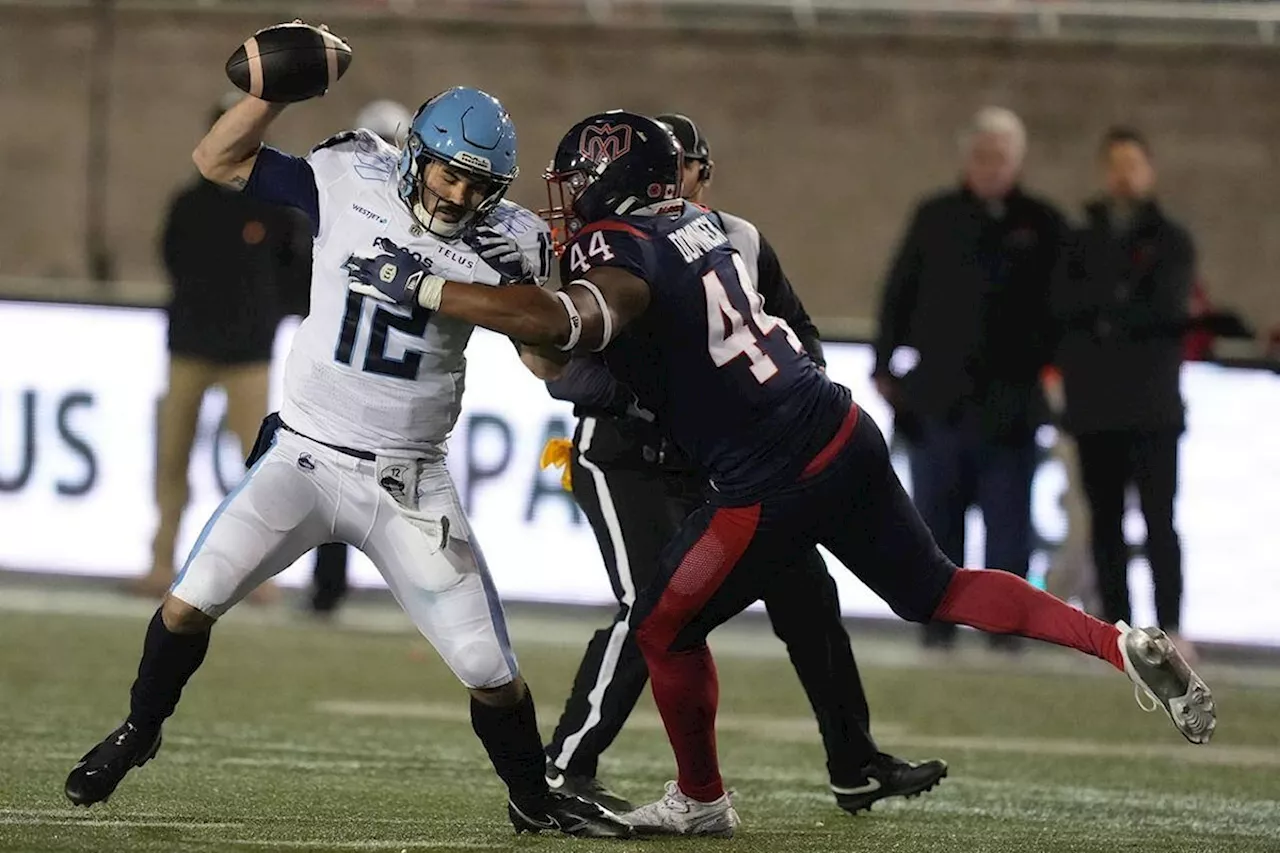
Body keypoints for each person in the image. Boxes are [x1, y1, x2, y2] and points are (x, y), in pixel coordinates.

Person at [344, 109, 1216, 837]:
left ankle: (700, 797)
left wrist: (423, 287)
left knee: (661, 627)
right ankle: (1114, 641)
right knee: (938, 587)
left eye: (575, 181)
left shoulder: (626, 251)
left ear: (609, 179)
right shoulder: (703, 226)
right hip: (840, 427)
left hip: (766, 478)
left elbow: (574, 328)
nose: (565, 200)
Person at [62, 75, 628, 839]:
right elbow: (219, 160)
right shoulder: (347, 171)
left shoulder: (511, 240)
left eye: (477, 183)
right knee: (188, 601)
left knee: (489, 672)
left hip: (408, 478)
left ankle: (531, 795)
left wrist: (554, 325)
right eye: (448, 172)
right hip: (304, 453)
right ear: (414, 156)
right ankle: (140, 727)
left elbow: (545, 365)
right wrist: (271, 92)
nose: (458, 195)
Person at [538, 111, 946, 816]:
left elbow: (796, 329)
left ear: (698, 171)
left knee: (808, 594)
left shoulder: (736, 239)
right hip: (625, 451)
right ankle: (565, 765)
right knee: (651, 607)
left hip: (727, 462)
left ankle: (853, 759)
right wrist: (671, 397)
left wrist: (779, 402)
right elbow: (568, 371)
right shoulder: (608, 245)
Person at [873, 107, 1066, 651]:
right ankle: (938, 627)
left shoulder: (1045, 224)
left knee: (1009, 527)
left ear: (1017, 161)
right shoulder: (935, 216)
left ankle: (1007, 630)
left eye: (1000, 157)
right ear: (968, 159)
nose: (990, 166)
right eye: (982, 155)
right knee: (935, 523)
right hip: (939, 399)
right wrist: (885, 365)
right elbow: (898, 293)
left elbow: (1062, 312)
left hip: (1014, 404)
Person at [134, 91, 310, 602]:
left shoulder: (276, 208)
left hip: (248, 356)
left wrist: (267, 315)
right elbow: (173, 258)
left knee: (256, 468)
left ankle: (257, 573)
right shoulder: (190, 203)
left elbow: (295, 274)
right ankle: (161, 562)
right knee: (171, 459)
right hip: (189, 347)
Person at [1052, 127, 1196, 655]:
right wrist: (1111, 314)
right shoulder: (1080, 237)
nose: (1124, 174)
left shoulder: (1172, 240)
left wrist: (1106, 316)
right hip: (1095, 407)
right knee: (1105, 523)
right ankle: (1115, 629)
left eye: (1134, 164)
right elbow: (1062, 305)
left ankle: (1172, 627)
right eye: (1115, 164)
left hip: (1153, 407)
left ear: (1149, 171)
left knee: (1160, 520)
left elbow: (1166, 311)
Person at [308, 98, 413, 617]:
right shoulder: (344, 198)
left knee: (405, 498)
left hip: (400, 389)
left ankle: (429, 596)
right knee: (319, 478)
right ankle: (326, 589)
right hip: (343, 373)